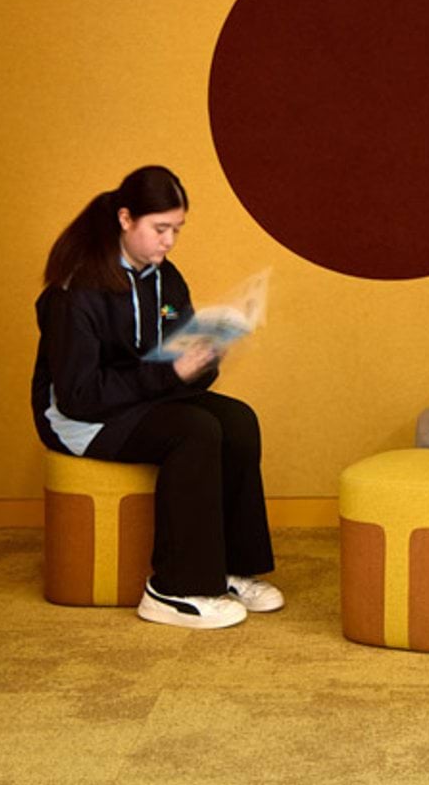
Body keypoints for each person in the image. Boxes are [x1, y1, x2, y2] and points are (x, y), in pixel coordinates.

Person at [31, 163, 281, 630]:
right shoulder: (76, 291)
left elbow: (174, 365)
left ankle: (227, 567)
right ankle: (173, 588)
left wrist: (205, 357)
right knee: (194, 431)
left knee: (238, 420)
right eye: (160, 228)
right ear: (126, 219)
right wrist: (170, 376)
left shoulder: (165, 278)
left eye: (177, 230)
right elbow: (79, 395)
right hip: (82, 419)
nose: (168, 241)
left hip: (139, 402)